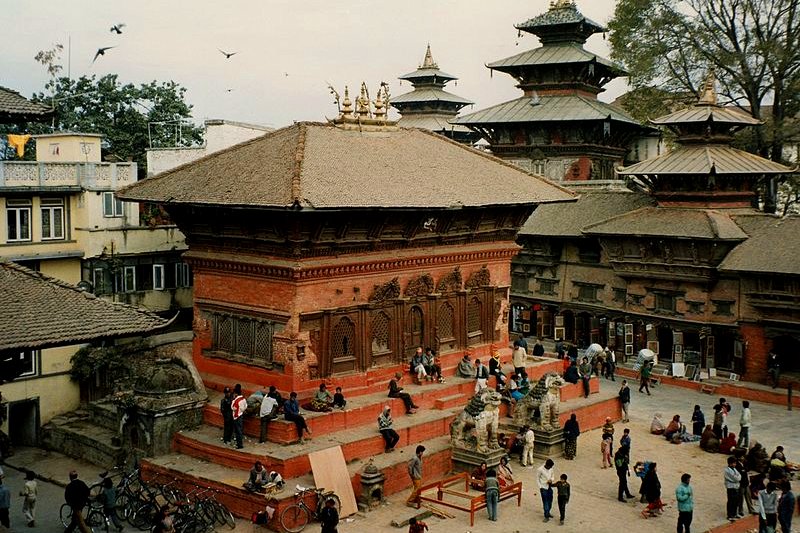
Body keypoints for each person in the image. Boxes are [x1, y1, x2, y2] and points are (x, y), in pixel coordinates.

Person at [736, 450, 755, 517]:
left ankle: (751, 509)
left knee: (748, 497)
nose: (743, 458)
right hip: (741, 484)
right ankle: (740, 510)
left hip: (746, 483)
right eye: (742, 457)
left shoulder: (744, 463)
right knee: (741, 498)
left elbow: (747, 470)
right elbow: (742, 472)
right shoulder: (737, 465)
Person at [725, 456, 743, 521]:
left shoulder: (734, 469)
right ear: (729, 463)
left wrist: (737, 478)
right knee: (731, 501)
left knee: (736, 501)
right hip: (731, 488)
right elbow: (735, 478)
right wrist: (737, 478)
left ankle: (735, 513)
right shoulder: (727, 470)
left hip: (736, 487)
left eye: (735, 463)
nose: (734, 464)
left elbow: (739, 476)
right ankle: (730, 515)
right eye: (733, 463)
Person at [231, 384, 247, 449]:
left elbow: (233, 408)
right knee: (239, 430)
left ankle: (239, 445)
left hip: (237, 416)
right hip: (241, 415)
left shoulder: (236, 401)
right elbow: (245, 406)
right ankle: (239, 444)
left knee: (238, 431)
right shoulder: (243, 399)